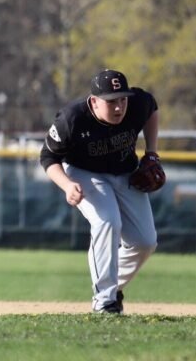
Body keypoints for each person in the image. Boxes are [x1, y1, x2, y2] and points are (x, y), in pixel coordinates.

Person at [39, 69, 159, 314]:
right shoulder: (72, 118)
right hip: (84, 173)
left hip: (125, 171)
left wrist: (152, 152)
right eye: (111, 101)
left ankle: (112, 287)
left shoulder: (138, 103)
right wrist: (67, 185)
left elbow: (152, 108)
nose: (119, 107)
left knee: (145, 242)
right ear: (94, 101)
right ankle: (105, 301)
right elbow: (48, 157)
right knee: (107, 222)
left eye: (122, 99)